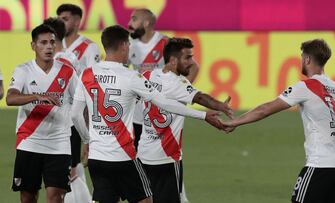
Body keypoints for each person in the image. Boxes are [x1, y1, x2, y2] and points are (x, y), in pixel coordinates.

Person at [71, 25, 224, 203]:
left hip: (97, 159)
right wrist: (204, 116)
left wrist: (88, 141)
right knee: (146, 200)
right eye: (128, 44)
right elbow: (165, 103)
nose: (129, 48)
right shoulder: (132, 77)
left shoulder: (87, 74)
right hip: (124, 157)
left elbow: (76, 115)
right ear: (122, 45)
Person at [223, 39, 335, 203]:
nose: (301, 61)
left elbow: (265, 110)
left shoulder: (306, 86)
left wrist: (235, 122)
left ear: (307, 59)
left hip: (319, 164)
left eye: (302, 57)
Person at [137, 37, 233, 203]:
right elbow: (200, 98)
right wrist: (221, 106)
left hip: (143, 154)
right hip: (166, 158)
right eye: (187, 57)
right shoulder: (178, 84)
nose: (191, 62)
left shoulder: (147, 75)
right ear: (173, 60)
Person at [128, 9, 199, 202]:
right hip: (137, 117)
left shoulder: (165, 43)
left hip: (162, 119)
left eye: (134, 19)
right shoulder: (130, 46)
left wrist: (179, 98)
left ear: (147, 23)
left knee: (168, 163)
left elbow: (194, 66)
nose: (129, 22)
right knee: (141, 170)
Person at [6, 24, 78, 203]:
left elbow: (80, 102)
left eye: (52, 42)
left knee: (56, 197)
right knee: (28, 197)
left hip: (59, 142)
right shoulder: (23, 70)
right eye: (43, 42)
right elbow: (10, 98)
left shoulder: (67, 71)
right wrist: (36, 96)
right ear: (33, 46)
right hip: (29, 141)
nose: (49, 47)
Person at [43, 17, 92, 203]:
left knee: (66, 176)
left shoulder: (60, 62)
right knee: (72, 170)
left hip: (62, 126)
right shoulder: (72, 58)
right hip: (71, 124)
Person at [57, 3, 101, 182]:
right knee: (64, 165)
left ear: (77, 21)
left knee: (73, 164)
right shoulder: (55, 46)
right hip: (58, 112)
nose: (60, 22)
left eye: (65, 19)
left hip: (77, 112)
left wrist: (90, 121)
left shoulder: (89, 47)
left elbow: (93, 84)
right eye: (59, 19)